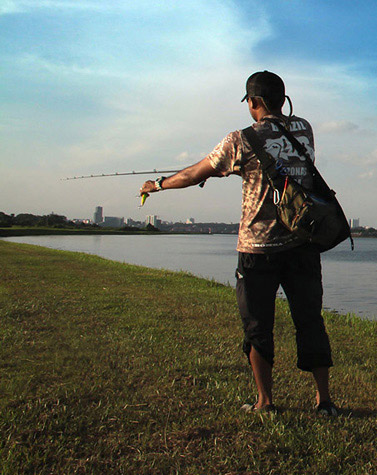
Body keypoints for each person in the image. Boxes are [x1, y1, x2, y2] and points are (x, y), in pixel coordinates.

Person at [140, 70, 338, 416]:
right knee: (309, 321)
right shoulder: (303, 130)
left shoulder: (240, 139)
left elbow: (194, 174)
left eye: (249, 101)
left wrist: (158, 184)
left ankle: (265, 402)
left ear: (254, 102)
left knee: (258, 326)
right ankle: (324, 401)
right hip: (303, 244)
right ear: (283, 100)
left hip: (257, 250)